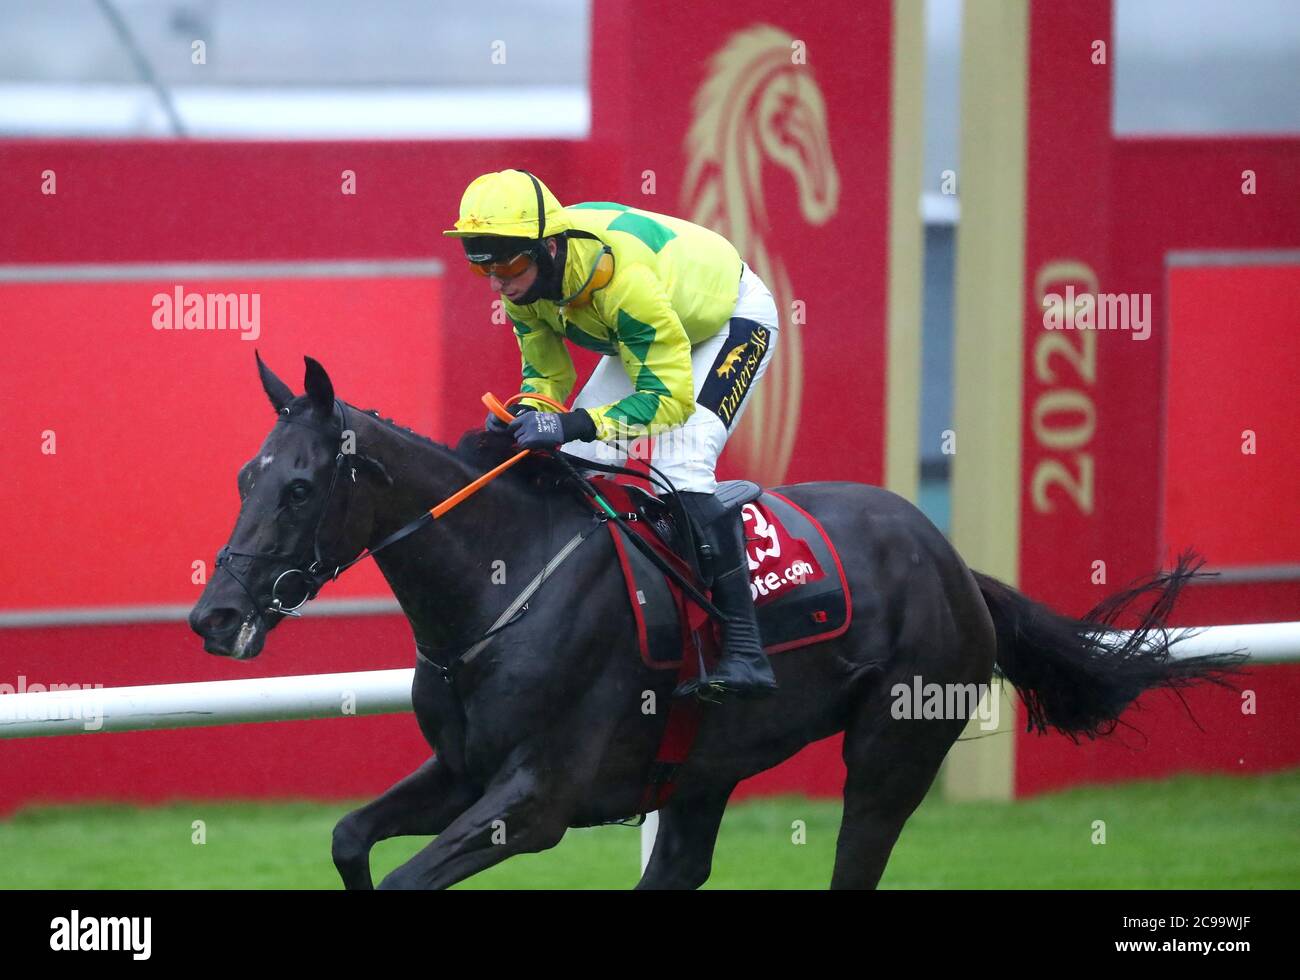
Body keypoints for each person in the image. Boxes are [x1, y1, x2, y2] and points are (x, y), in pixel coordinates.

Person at [444, 168, 779, 701]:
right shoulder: (521, 285)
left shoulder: (619, 279)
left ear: (549, 247)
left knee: (682, 461)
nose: (496, 282)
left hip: (726, 322)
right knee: (572, 456)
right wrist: (527, 414)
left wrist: (572, 422)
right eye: (480, 265)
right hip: (656, 334)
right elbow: (548, 377)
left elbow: (669, 400)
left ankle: (745, 649)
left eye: (505, 263)